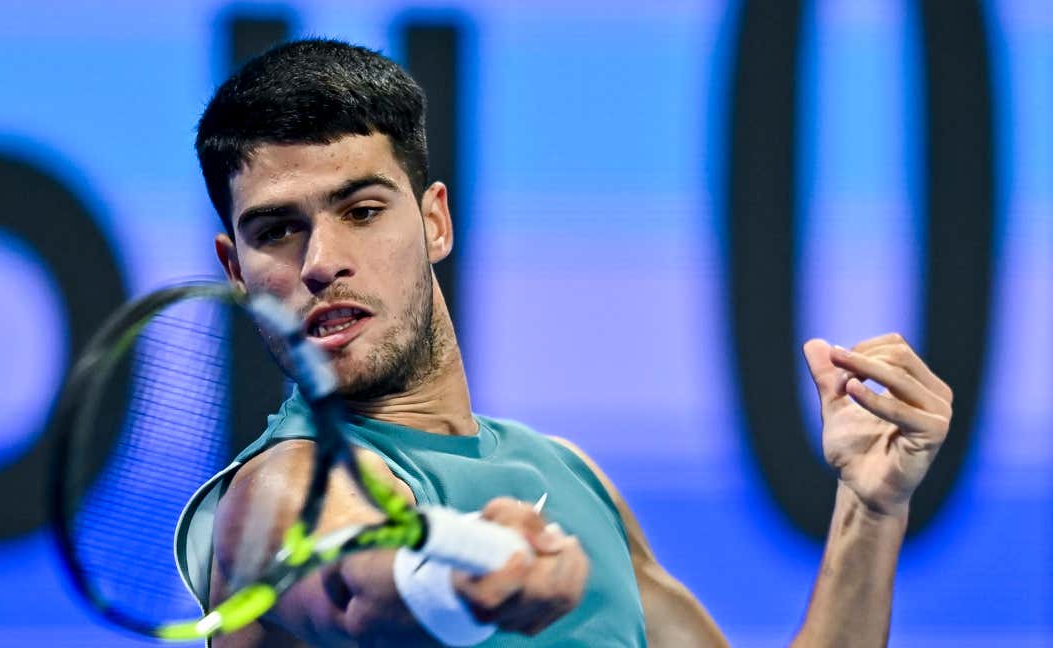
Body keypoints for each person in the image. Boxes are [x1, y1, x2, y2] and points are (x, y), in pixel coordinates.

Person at [174, 39, 954, 647]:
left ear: (435, 220)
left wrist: (871, 506)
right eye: (277, 230)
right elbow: (358, 589)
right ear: (235, 269)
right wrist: (455, 586)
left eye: (363, 210)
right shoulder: (276, 491)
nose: (320, 263)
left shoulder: (569, 478)